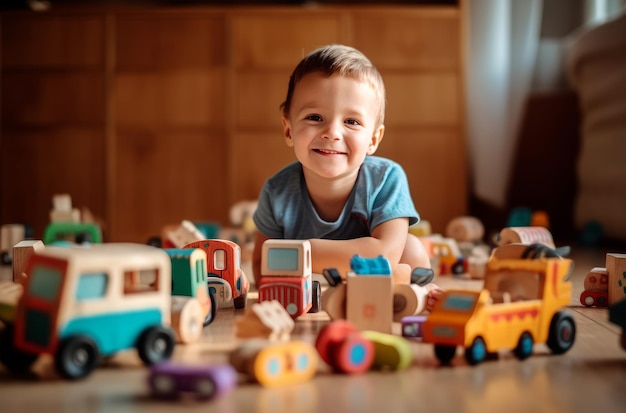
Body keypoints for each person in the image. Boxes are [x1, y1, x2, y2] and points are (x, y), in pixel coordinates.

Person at [252, 44, 442, 310]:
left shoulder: (386, 178)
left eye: (351, 122)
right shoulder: (277, 191)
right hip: (311, 285)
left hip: (378, 281)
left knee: (410, 250)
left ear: (374, 139)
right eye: (315, 117)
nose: (332, 132)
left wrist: (297, 251)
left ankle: (417, 292)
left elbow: (385, 256)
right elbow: (262, 266)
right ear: (288, 130)